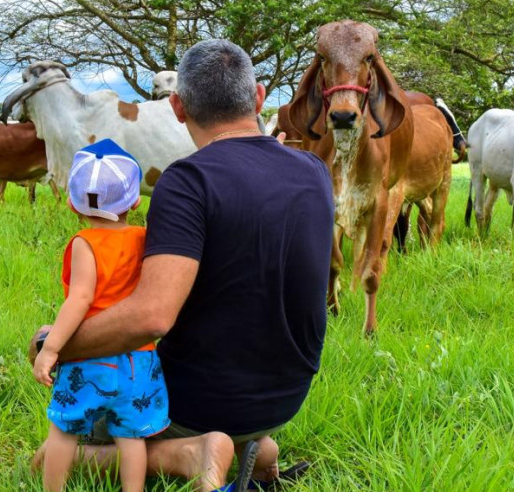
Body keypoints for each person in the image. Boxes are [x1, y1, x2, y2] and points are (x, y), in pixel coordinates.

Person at [28, 39, 334, 492]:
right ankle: (254, 446)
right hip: (286, 397)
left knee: (44, 461)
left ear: (176, 106)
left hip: (201, 403)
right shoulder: (313, 170)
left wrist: (55, 346)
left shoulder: (188, 181)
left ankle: (189, 452)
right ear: (259, 97)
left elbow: (152, 315)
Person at [32, 139, 170, 492]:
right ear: (136, 201)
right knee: (131, 435)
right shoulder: (144, 238)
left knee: (65, 430)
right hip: (139, 360)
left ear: (72, 204)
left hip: (91, 361)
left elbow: (79, 300)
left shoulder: (85, 243)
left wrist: (50, 350)